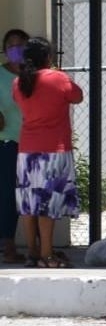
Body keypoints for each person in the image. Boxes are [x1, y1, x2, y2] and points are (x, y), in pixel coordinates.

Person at [12, 36, 83, 268]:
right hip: (54, 150)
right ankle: (47, 255)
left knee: (29, 204)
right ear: (48, 57)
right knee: (47, 205)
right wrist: (56, 71)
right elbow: (78, 96)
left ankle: (33, 252)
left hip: (26, 152)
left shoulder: (19, 83)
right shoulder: (58, 78)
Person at [0, 28, 30, 264]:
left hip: (34, 143)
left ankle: (36, 245)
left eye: (20, 44)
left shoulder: (35, 75)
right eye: (11, 45)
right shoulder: (0, 75)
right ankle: (7, 243)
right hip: (7, 142)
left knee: (31, 196)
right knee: (8, 195)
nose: (15, 49)